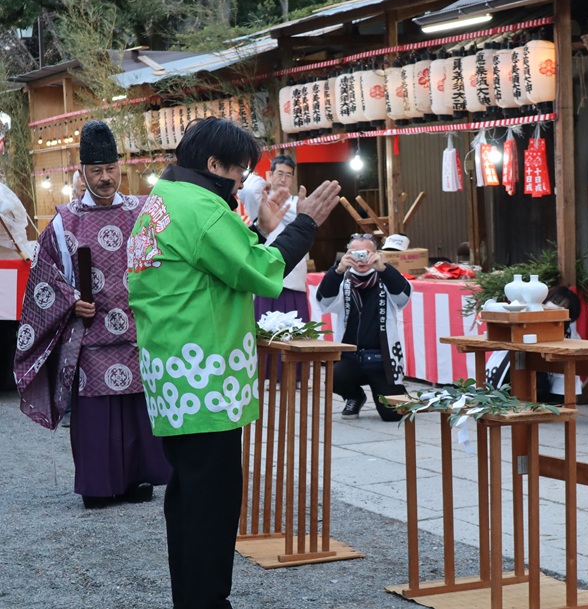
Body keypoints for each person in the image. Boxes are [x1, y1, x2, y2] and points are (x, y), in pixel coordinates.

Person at [126, 116, 340, 609]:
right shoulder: (202, 207)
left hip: (172, 371)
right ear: (213, 164)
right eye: (240, 172)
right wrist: (302, 222)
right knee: (212, 503)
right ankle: (206, 601)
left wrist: (266, 231)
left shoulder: (161, 201)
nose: (243, 183)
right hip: (205, 374)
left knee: (188, 496)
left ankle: (192, 598)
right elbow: (260, 270)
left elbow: (228, 262)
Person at [14, 120, 170, 509]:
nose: (105, 178)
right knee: (97, 417)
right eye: (96, 171)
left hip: (138, 331)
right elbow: (44, 279)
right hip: (90, 336)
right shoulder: (65, 220)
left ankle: (138, 478)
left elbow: (166, 266)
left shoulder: (142, 211)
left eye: (111, 169)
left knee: (138, 410)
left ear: (121, 167)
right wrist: (70, 301)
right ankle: (100, 487)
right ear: (81, 173)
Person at [315, 233, 411, 421]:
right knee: (334, 377)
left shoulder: (386, 276)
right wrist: (338, 270)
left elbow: (403, 297)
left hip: (382, 360)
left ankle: (395, 390)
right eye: (354, 253)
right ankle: (355, 396)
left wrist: (383, 268)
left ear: (376, 254)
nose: (361, 259)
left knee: (393, 415)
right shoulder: (343, 280)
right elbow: (323, 302)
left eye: (366, 253)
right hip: (352, 357)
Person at [242, 154, 310, 323]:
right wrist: (264, 184)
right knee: (267, 339)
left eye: (288, 175)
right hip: (266, 275)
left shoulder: (298, 203)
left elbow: (308, 219)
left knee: (297, 335)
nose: (283, 179)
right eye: (279, 173)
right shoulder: (261, 201)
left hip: (294, 278)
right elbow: (248, 190)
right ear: (270, 174)